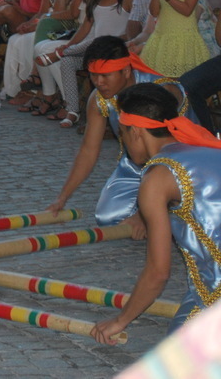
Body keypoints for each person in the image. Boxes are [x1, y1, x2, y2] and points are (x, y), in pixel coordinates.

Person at [91, 83, 221, 343]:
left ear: (135, 131)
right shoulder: (208, 148)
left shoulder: (158, 177)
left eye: (122, 133)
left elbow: (158, 271)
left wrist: (120, 320)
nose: (123, 140)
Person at [48, 36, 191, 232]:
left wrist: (144, 214)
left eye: (105, 76)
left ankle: (166, 210)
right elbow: (89, 150)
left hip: (179, 165)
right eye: (93, 75)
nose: (98, 82)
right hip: (134, 165)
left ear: (125, 70)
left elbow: (169, 149)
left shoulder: (161, 91)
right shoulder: (98, 99)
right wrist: (62, 197)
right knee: (108, 218)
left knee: (182, 219)